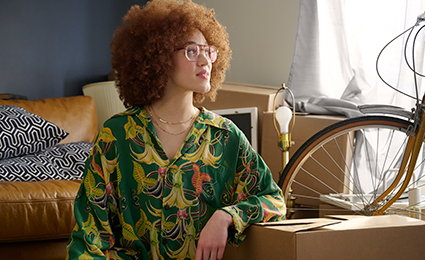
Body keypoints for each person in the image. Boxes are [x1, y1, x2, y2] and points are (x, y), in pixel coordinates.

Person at [66, 0, 286, 259]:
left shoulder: (225, 136)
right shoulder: (117, 134)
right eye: (192, 51)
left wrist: (227, 215)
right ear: (158, 56)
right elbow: (88, 234)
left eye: (209, 50)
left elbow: (273, 200)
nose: (205, 60)